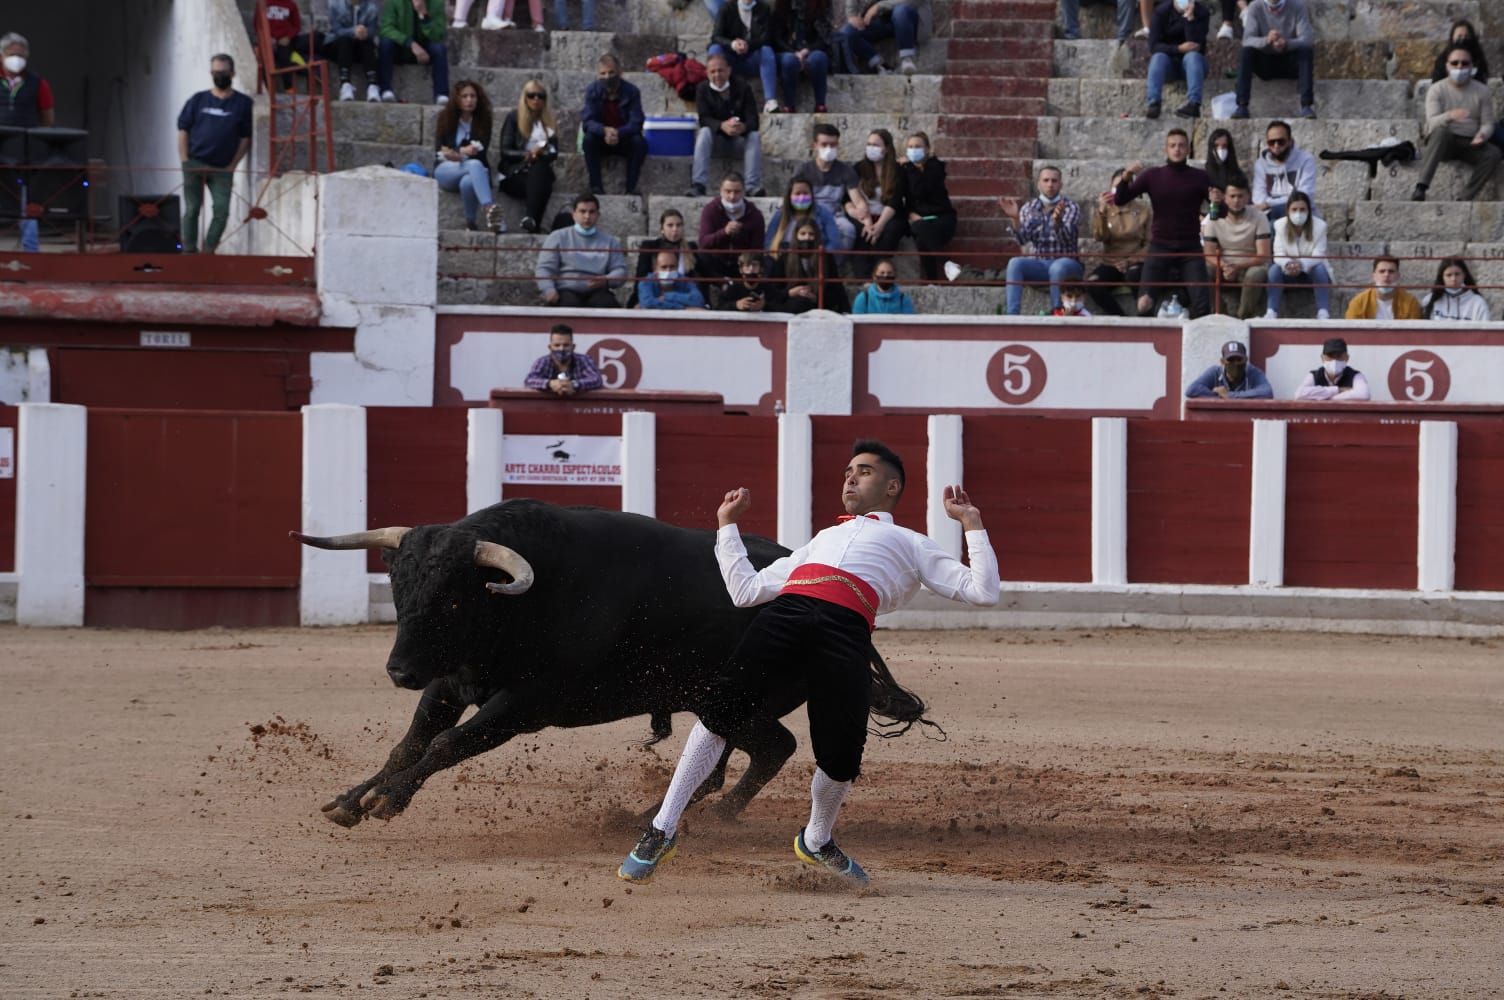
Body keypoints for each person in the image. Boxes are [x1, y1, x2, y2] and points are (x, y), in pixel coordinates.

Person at [616, 441, 1000, 887]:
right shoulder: (820, 540)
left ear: (892, 487)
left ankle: (817, 839)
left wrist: (972, 524)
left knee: (841, 756)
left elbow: (983, 591)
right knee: (720, 713)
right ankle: (662, 828)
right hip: (789, 612)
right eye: (847, 472)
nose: (850, 479)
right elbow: (746, 591)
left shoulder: (913, 543)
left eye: (864, 471)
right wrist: (726, 526)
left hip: (845, 630)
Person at [1116, 128, 1213, 316]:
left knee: (1202, 304)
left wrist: (1217, 202)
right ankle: (1144, 343)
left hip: (1190, 248)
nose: (1177, 149)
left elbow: (1221, 211)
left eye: (1181, 145)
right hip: (1160, 246)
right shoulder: (1153, 175)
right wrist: (1126, 176)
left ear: (1188, 150)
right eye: (1172, 146)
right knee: (1144, 304)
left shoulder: (1200, 177)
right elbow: (1120, 199)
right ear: (1165, 150)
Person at [176, 54, 254, 255]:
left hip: (222, 168)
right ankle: (189, 251)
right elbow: (183, 129)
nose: (219, 75)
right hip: (194, 162)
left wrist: (232, 166)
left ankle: (208, 250)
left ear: (232, 73)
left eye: (223, 72)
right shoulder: (198, 100)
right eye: (215, 72)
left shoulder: (243, 103)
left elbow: (245, 137)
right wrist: (185, 160)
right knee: (192, 209)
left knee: (221, 211)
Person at [1412, 45, 1499, 203]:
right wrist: (1450, 116)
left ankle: (1465, 197)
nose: (1460, 67)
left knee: (1493, 153)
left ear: (1472, 66)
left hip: (1470, 143)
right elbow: (1431, 123)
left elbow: (1488, 122)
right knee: (1441, 132)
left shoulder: (1482, 91)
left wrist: (1483, 134)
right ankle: (1421, 187)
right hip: (1444, 142)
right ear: (1447, 65)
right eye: (1455, 63)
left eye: (1465, 63)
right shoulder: (1437, 90)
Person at [1001, 165, 1083, 315]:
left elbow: (1067, 239)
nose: (1050, 184)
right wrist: (1015, 219)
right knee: (1015, 263)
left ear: (1061, 184)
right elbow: (1023, 239)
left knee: (1057, 267)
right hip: (1041, 264)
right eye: (1046, 180)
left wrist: (1058, 223)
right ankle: (1012, 316)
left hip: (1067, 263)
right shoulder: (1028, 208)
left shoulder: (1071, 207)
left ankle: (1057, 313)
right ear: (1038, 184)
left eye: (1054, 180)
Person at [0, 32, 53, 253]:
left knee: (28, 202)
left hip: (26, 150)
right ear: (2, 55)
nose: (17, 59)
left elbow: (47, 117)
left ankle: (31, 251)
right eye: (12, 54)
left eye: (21, 55)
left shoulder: (37, 82)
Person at [691, 53, 764, 199]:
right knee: (704, 132)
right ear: (707, 73)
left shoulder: (743, 87)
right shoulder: (702, 89)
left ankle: (752, 186)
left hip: (738, 142)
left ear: (729, 70)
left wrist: (742, 127)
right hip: (715, 142)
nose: (717, 75)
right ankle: (698, 184)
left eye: (720, 70)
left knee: (754, 136)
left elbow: (754, 121)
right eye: (712, 71)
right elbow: (704, 118)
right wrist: (721, 125)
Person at [433, 80, 502, 232]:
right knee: (475, 165)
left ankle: (470, 222)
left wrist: (465, 153)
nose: (469, 100)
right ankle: (489, 208)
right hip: (447, 169)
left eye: (473, 96)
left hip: (471, 169)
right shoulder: (445, 118)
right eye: (464, 96)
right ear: (457, 99)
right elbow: (440, 151)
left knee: (468, 181)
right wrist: (461, 151)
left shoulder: (484, 119)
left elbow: (482, 149)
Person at [535, 194, 627, 308]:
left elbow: (620, 270)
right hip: (566, 290)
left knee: (606, 304)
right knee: (568, 304)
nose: (587, 216)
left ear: (598, 215)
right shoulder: (557, 237)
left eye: (592, 212)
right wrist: (548, 289)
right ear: (574, 214)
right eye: (582, 211)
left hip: (598, 292)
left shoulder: (610, 241)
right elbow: (544, 268)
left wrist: (607, 280)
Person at [1231, 0, 1316, 121]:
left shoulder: (1298, 5)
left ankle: (1306, 105)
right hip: (1265, 63)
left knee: (1306, 51)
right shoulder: (1256, 6)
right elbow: (1247, 40)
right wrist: (1267, 40)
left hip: (1289, 62)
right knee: (1246, 52)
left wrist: (1286, 43)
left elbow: (1307, 39)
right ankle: (1242, 105)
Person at [1201, 174, 1271, 319]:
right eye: (1232, 196)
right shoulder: (1214, 218)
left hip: (1249, 265)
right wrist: (1224, 266)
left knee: (1256, 274)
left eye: (1240, 196)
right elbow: (1208, 254)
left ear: (1248, 197)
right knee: (1201, 270)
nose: (1236, 201)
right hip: (1223, 265)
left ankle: (1243, 317)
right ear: (1225, 197)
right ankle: (1220, 314)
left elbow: (1263, 255)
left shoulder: (1259, 217)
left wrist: (1238, 267)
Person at [794, 123, 868, 252]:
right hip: (809, 213)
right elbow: (794, 198)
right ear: (814, 145)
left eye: (833, 145)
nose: (829, 148)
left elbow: (858, 200)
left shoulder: (846, 170)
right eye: (824, 144)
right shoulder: (803, 170)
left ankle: (834, 265)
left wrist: (865, 216)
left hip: (835, 215)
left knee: (848, 230)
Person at [496, 79, 557, 234]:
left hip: (538, 172)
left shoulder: (548, 122)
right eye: (531, 95)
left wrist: (542, 153)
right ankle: (533, 221)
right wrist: (527, 155)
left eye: (540, 96)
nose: (536, 99)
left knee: (543, 172)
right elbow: (505, 151)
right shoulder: (513, 118)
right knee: (543, 177)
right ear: (525, 98)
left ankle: (530, 219)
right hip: (514, 174)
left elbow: (554, 152)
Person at [580, 54, 646, 196]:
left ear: (619, 72)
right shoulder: (592, 91)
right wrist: (604, 131)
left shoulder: (632, 92)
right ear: (598, 75)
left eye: (611, 72)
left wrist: (618, 133)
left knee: (639, 142)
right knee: (588, 140)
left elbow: (637, 121)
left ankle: (631, 188)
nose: (607, 77)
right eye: (603, 73)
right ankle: (596, 187)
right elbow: (588, 121)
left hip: (623, 139)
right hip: (601, 138)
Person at [1088, 168, 1150, 316]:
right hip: (1111, 261)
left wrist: (1131, 261)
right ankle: (1120, 317)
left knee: (1135, 276)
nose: (1119, 190)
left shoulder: (1143, 210)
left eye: (1124, 186)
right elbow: (1100, 237)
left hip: (1135, 260)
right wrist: (1102, 213)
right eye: (1115, 187)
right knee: (1093, 284)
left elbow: (1149, 243)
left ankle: (1145, 316)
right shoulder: (1104, 209)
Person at [1264, 190, 1329, 319]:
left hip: (1309, 273)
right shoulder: (1279, 225)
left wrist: (1300, 264)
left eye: (1302, 209)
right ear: (1288, 211)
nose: (1298, 213)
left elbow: (1318, 255)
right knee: (1274, 270)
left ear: (1309, 211)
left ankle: (1323, 312)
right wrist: (1288, 264)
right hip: (1287, 272)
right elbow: (1278, 253)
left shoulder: (1320, 226)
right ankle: (1271, 311)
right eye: (1294, 209)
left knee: (1321, 269)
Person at [900, 131, 954, 282]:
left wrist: (911, 167)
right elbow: (901, 197)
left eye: (917, 146)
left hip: (942, 219)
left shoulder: (936, 168)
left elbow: (921, 190)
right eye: (910, 147)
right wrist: (909, 213)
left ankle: (934, 277)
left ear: (927, 149)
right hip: (920, 220)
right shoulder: (905, 171)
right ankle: (945, 266)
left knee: (920, 229)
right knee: (920, 230)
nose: (913, 150)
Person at [710, 0, 779, 115]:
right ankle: (716, 98)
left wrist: (748, 45)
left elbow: (766, 38)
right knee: (715, 50)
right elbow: (716, 36)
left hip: (752, 58)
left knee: (767, 50)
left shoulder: (763, 8)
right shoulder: (727, 8)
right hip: (731, 59)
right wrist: (732, 44)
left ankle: (770, 101)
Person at [1146, 0, 1209, 120]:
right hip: (1168, 63)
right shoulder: (1161, 12)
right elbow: (1154, 46)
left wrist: (1189, 19)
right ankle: (1154, 103)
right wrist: (1178, 49)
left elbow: (1195, 45)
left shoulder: (1202, 12)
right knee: (1158, 57)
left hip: (1193, 65)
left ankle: (1194, 104)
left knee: (1192, 57)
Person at [377, 0, 449, 105]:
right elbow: (386, 29)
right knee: (385, 43)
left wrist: (424, 15)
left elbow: (438, 35)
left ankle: (441, 94)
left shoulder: (436, 3)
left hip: (425, 50)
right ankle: (385, 89)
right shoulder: (394, 2)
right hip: (401, 47)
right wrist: (410, 43)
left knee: (439, 48)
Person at [770, 217, 849, 312]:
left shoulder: (826, 258)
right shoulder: (785, 258)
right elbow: (773, 290)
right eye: (802, 234)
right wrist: (791, 293)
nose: (807, 238)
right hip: (791, 305)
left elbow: (835, 289)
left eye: (811, 234)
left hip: (819, 307)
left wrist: (815, 297)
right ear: (796, 235)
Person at [699, 172, 766, 281]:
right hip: (717, 263)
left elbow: (757, 249)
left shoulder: (755, 214)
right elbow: (703, 243)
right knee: (701, 258)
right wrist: (724, 232)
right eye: (728, 191)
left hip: (742, 264)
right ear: (721, 191)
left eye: (737, 192)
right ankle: (724, 284)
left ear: (744, 192)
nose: (732, 196)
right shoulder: (710, 210)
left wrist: (742, 232)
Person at [853, 129, 908, 259]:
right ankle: (864, 277)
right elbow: (848, 197)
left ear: (887, 148)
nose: (871, 148)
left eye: (876, 145)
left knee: (889, 233)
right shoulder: (858, 168)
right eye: (869, 144)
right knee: (861, 235)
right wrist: (868, 223)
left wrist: (879, 225)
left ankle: (881, 271)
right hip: (865, 217)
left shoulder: (898, 170)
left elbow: (895, 201)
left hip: (889, 217)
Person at [771, 0, 833, 112]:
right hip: (787, 51)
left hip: (811, 50)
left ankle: (820, 104)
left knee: (819, 58)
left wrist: (807, 51)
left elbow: (824, 38)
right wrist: (793, 52)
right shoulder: (781, 8)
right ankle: (789, 105)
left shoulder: (819, 7)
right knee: (789, 61)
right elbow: (776, 38)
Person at [629, 209, 699, 307]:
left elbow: (697, 281)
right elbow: (641, 278)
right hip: (655, 297)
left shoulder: (692, 248)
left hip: (682, 298)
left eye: (679, 225)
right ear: (662, 229)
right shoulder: (649, 246)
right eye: (670, 225)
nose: (675, 229)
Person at [840, 0, 927, 76]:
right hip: (878, 21)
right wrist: (852, 15)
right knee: (847, 32)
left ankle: (907, 59)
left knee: (900, 11)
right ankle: (880, 65)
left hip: (907, 19)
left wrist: (879, 6)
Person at [1251, 120, 1315, 221]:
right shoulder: (1261, 164)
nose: (1276, 146)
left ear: (1290, 141)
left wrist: (1269, 203)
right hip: (1270, 214)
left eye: (1281, 142)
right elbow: (1258, 198)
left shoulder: (1305, 160)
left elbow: (1304, 195)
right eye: (1271, 142)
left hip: (1298, 212)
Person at [767, 177, 842, 255]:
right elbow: (768, 242)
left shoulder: (823, 213)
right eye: (797, 193)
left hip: (815, 257)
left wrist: (820, 257)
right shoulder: (780, 214)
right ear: (789, 196)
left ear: (812, 195)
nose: (801, 197)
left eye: (805, 193)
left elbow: (835, 243)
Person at [524, 324, 605, 395]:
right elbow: (529, 380)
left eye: (566, 345)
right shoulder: (542, 362)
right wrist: (550, 384)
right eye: (557, 345)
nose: (561, 349)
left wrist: (574, 384)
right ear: (550, 347)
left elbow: (596, 379)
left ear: (573, 347)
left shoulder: (584, 360)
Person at [325, 0, 382, 102]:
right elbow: (336, 30)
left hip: (359, 47)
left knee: (368, 43)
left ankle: (372, 85)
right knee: (345, 40)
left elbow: (374, 30)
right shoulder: (335, 5)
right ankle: (345, 84)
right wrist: (353, 31)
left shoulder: (371, 8)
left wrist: (366, 33)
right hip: (337, 46)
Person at [1185, 339, 1273, 398]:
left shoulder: (1252, 372)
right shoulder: (1215, 372)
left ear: (1246, 360)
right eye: (1230, 360)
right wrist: (1217, 394)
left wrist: (1229, 395)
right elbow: (1191, 390)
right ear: (1222, 362)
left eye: (1239, 360)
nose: (1235, 363)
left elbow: (1267, 392)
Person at [1344, 256, 1421, 320]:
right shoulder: (1359, 302)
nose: (1386, 275)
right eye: (1382, 271)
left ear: (1398, 276)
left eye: (1391, 271)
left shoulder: (1410, 302)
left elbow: (1414, 335)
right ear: (1374, 276)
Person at [1295, 337, 1369, 401]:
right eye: (1330, 356)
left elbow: (1364, 394)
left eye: (1339, 356)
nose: (1334, 361)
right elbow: (1299, 394)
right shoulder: (1314, 375)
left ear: (1347, 358)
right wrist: (1338, 390)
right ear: (1322, 358)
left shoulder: (1355, 375)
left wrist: (1326, 397)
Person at [1421, 257, 1492, 322]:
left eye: (1457, 274)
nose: (1453, 279)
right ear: (1442, 277)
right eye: (1449, 275)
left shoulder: (1478, 302)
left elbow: (1484, 332)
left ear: (1464, 275)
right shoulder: (1429, 300)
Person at [717, 251, 787, 312]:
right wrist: (736, 305)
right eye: (747, 265)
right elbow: (718, 307)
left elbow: (782, 307)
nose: (751, 270)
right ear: (741, 270)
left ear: (761, 269)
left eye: (754, 265)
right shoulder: (732, 289)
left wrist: (764, 305)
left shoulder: (768, 289)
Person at [638, 250, 709, 310]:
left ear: (677, 267)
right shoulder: (646, 282)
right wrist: (683, 308)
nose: (668, 270)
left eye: (672, 267)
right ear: (655, 268)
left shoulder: (685, 281)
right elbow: (647, 303)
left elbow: (699, 300)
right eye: (664, 267)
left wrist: (667, 296)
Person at [1429, 19, 1489, 86]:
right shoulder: (1443, 59)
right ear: (1452, 38)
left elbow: (1482, 79)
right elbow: (1437, 81)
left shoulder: (1478, 58)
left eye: (1466, 36)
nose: (1463, 39)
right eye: (1459, 36)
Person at [1203, 127, 1243, 220]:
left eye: (1224, 146)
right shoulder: (1203, 173)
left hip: (1233, 218)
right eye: (1216, 146)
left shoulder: (1238, 173)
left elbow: (1244, 200)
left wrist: (1224, 197)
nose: (1220, 150)